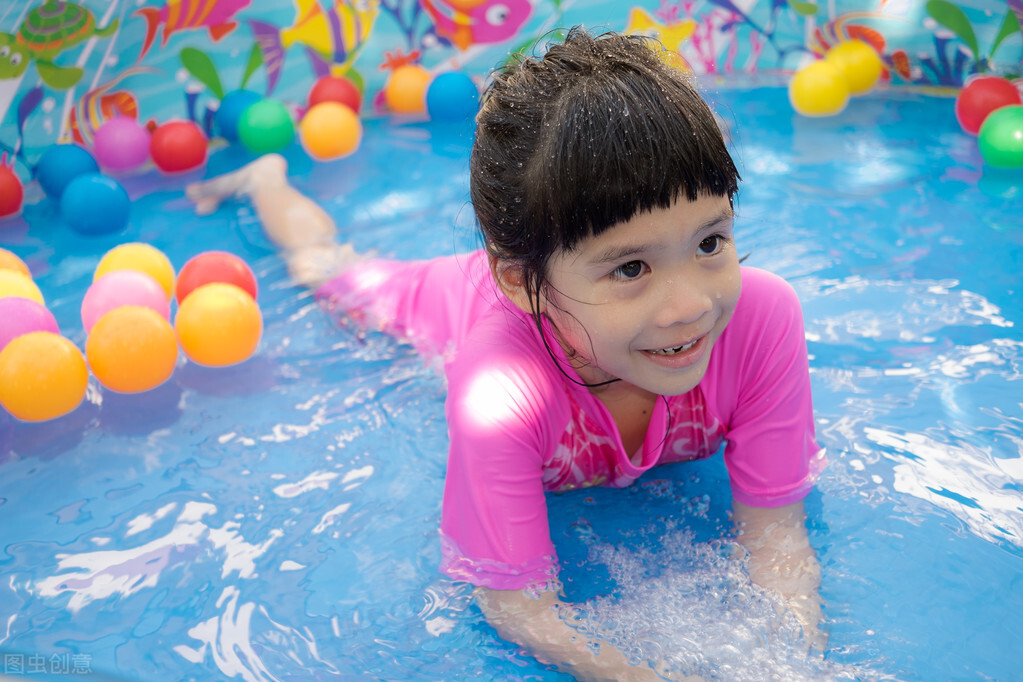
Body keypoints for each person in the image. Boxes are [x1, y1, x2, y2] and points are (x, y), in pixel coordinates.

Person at [187, 27, 827, 681]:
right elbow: (520, 608)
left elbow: (776, 533)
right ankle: (266, 180)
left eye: (710, 242)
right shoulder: (499, 396)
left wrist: (797, 658)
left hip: (555, 281)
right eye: (631, 267)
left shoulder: (759, 321)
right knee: (325, 268)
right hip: (457, 307)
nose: (689, 304)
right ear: (521, 281)